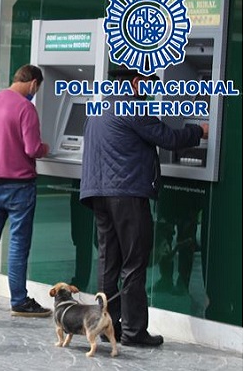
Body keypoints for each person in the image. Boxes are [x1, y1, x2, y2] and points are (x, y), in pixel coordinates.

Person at [79, 66, 208, 347]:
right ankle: (134, 331)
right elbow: (169, 138)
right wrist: (200, 129)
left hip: (99, 192)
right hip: (126, 193)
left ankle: (107, 325)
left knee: (108, 262)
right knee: (134, 262)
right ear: (137, 82)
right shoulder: (132, 107)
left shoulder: (99, 108)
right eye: (150, 86)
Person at [0, 64, 51, 318]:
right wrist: (46, 148)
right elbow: (32, 148)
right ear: (34, 83)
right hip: (20, 186)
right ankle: (19, 300)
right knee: (18, 243)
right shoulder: (27, 108)